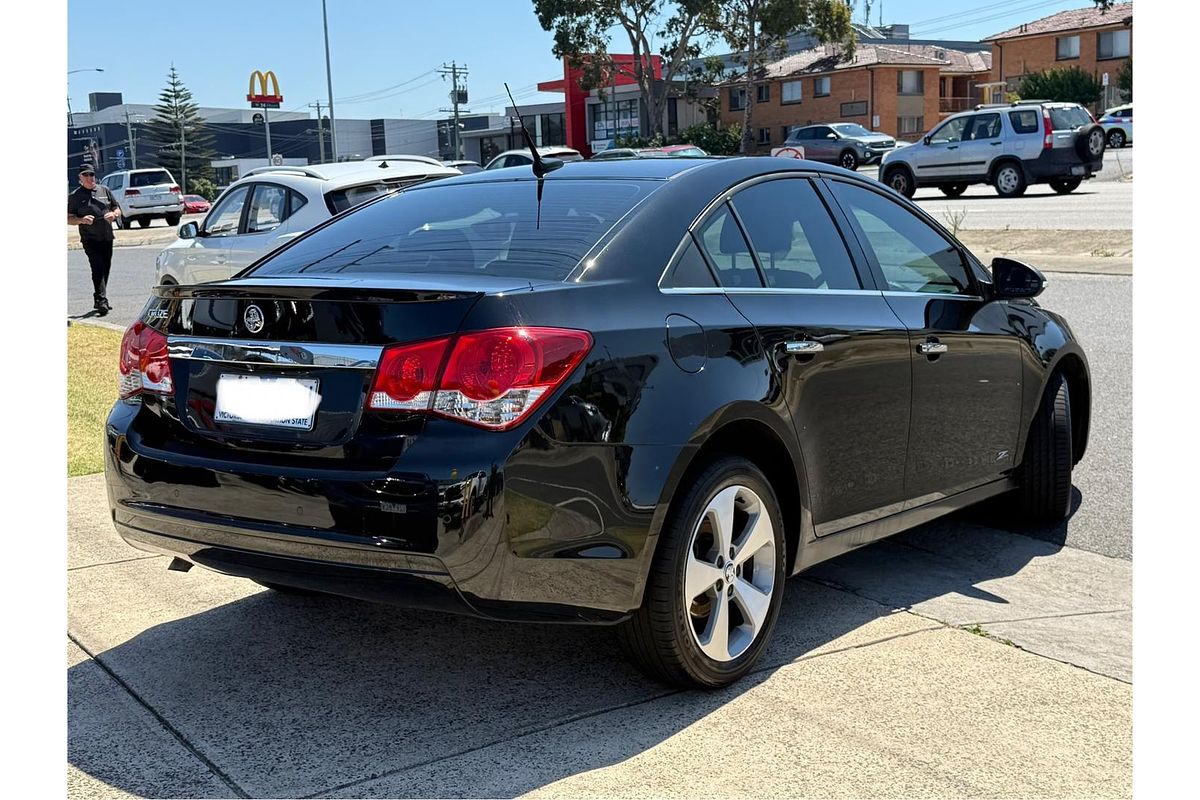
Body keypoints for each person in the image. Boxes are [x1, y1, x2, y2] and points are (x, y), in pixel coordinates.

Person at [67, 165, 121, 315]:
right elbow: (68, 218)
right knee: (97, 267)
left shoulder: (104, 190)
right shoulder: (75, 196)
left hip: (106, 236)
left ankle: (99, 298)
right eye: (86, 175)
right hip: (90, 238)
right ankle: (102, 301)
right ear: (80, 178)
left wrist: (114, 215)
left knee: (105, 268)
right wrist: (81, 219)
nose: (90, 178)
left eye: (92, 174)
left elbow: (117, 208)